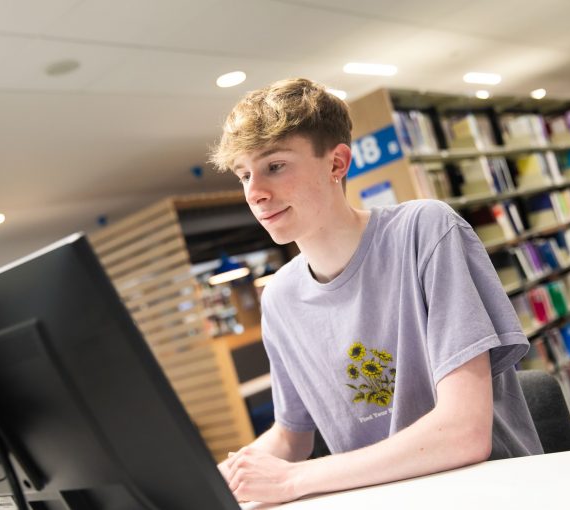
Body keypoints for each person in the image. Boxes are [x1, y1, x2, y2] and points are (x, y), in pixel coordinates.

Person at [209, 78, 543, 504]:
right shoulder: (279, 300)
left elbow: (464, 433)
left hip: (491, 493)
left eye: (274, 166)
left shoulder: (425, 230)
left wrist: (294, 480)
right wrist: (210, 483)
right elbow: (291, 439)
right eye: (243, 175)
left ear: (336, 164)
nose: (254, 192)